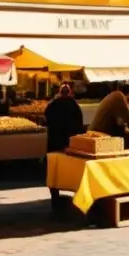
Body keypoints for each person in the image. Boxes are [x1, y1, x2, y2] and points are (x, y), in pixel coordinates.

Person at [44, 84, 85, 219]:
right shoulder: (74, 105)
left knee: (53, 170)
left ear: (60, 93)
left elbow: (46, 120)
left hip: (54, 143)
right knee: (72, 170)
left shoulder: (52, 105)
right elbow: (80, 124)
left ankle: (55, 199)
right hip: (69, 144)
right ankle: (76, 198)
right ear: (70, 93)